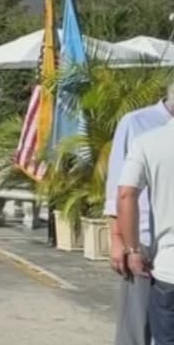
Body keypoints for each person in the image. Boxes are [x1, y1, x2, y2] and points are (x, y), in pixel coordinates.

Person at [105, 83, 173, 345]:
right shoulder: (135, 123)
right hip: (141, 240)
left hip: (165, 249)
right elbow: (118, 190)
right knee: (136, 328)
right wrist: (117, 238)